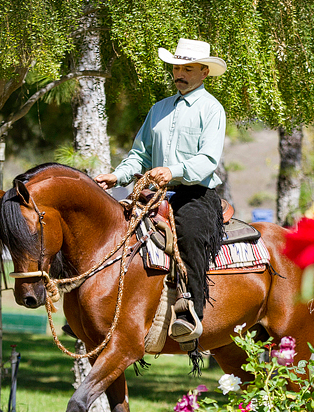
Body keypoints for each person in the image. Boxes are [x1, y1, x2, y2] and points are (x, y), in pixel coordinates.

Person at [95, 38, 227, 342]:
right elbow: (139, 154)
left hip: (194, 193)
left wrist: (173, 170)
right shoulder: (158, 109)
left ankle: (190, 311)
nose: (178, 73)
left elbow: (207, 160)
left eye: (187, 68)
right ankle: (99, 305)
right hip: (152, 193)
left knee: (191, 233)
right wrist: (118, 176)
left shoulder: (211, 109)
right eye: (176, 67)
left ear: (204, 72)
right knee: (113, 229)